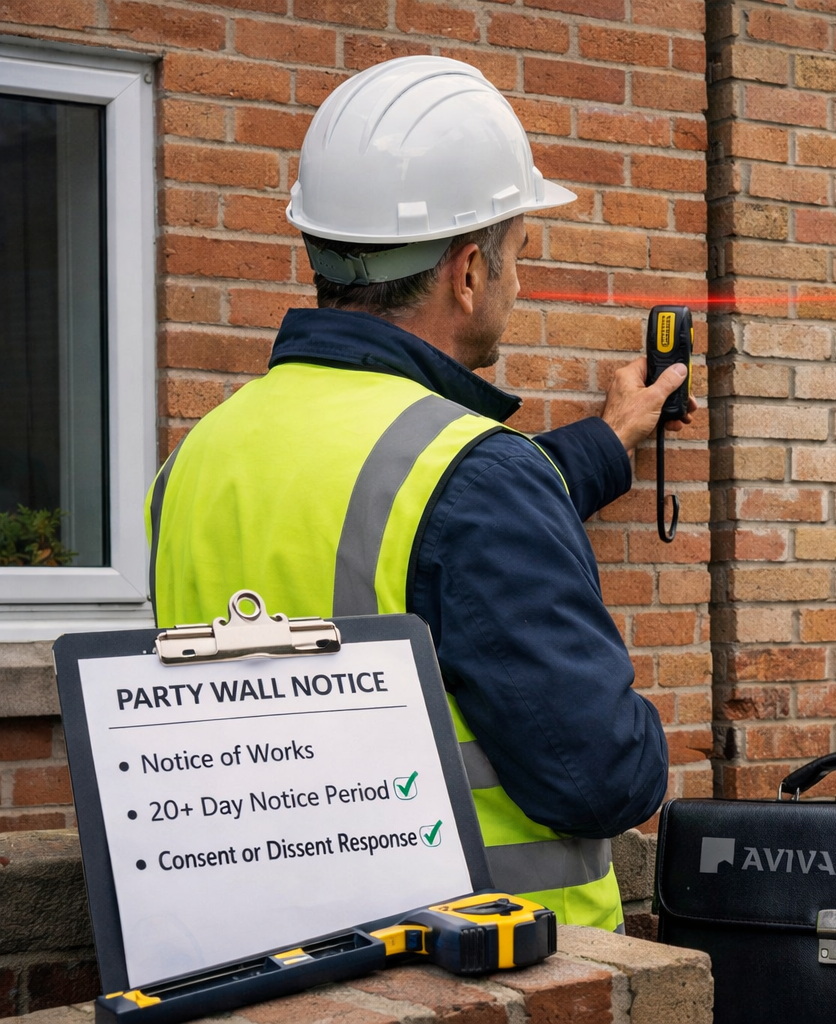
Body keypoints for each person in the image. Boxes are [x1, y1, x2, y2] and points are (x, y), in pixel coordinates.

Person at [145, 55, 691, 931]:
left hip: (266, 953)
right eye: (515, 256)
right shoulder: (475, 473)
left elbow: (410, 518)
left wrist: (608, 439)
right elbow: (599, 777)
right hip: (486, 967)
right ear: (467, 271)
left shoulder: (199, 457)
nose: (516, 284)